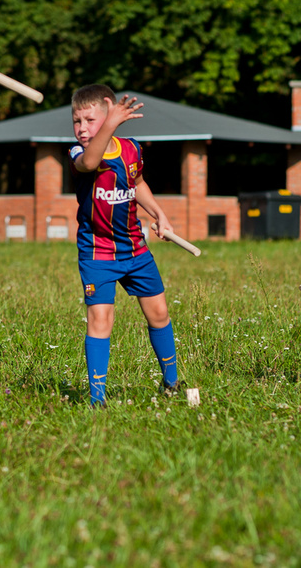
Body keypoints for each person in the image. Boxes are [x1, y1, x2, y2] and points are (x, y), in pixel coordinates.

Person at [68, 84, 179, 406]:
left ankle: (170, 383)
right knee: (100, 320)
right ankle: (97, 399)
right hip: (97, 254)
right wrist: (109, 123)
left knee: (159, 313)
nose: (82, 128)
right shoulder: (79, 153)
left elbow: (138, 182)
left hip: (136, 250)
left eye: (90, 120)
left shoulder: (131, 148)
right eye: (77, 121)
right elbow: (90, 164)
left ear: (107, 114)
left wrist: (159, 214)